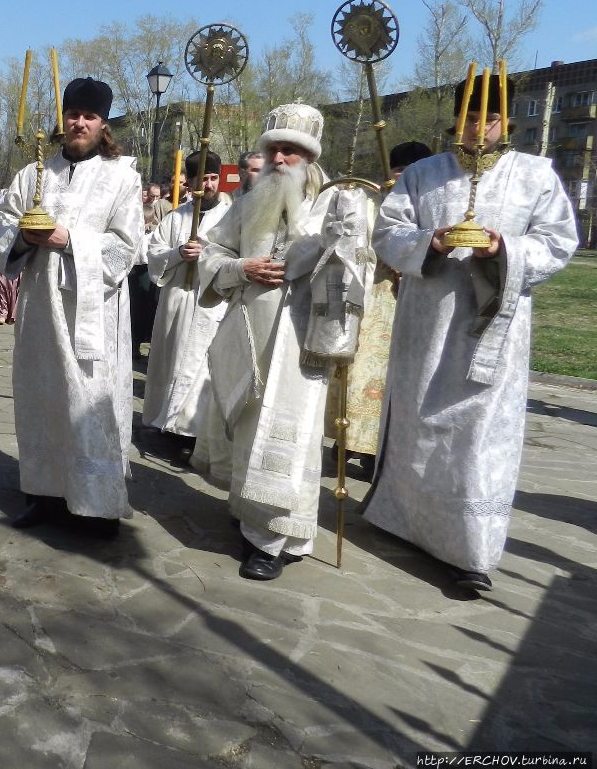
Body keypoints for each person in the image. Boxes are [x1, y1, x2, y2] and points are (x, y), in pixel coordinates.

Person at [362, 78, 578, 592]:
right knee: (418, 418)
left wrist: (506, 249)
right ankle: (406, 520)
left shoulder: (536, 176)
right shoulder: (422, 174)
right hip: (427, 323)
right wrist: (429, 242)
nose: (480, 127)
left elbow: (559, 241)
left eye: (491, 116)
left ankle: (470, 549)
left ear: (507, 122)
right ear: (457, 118)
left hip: (492, 326)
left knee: (479, 434)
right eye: (470, 115)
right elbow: (387, 232)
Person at [196, 104, 344, 581]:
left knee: (290, 434)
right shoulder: (250, 200)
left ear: (309, 156)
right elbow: (214, 248)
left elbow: (353, 268)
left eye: (292, 150)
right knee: (248, 424)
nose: (280, 158)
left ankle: (273, 539)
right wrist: (242, 269)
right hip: (249, 330)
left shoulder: (333, 204)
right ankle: (251, 516)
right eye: (274, 148)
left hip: (301, 340)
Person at [0, 76, 142, 535]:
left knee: (91, 399)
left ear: (103, 124)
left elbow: (126, 248)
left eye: (89, 117)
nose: (79, 123)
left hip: (91, 312)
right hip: (39, 307)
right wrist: (22, 236)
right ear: (63, 118)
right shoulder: (33, 173)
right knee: (42, 396)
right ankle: (45, 493)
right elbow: (1, 223)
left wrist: (66, 239)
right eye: (73, 114)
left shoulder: (123, 177)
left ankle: (98, 503)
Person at [323, 140, 433, 481]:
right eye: (398, 173)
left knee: (401, 379)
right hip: (373, 298)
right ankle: (348, 443)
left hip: (415, 301)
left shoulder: (432, 205)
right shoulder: (371, 203)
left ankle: (385, 451)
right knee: (359, 373)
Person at [142, 150, 232, 461]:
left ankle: (194, 433)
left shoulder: (232, 215)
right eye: (201, 179)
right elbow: (154, 254)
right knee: (172, 360)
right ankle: (166, 423)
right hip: (178, 300)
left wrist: (205, 254)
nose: (208, 185)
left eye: (212, 178)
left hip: (212, 302)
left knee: (202, 367)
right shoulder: (176, 217)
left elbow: (236, 256)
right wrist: (180, 252)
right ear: (189, 182)